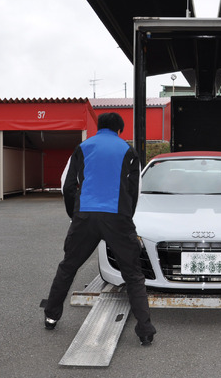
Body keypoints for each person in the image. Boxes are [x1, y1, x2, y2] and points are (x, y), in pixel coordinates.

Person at [43, 112, 156, 345]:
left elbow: (68, 185)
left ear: (99, 128)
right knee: (133, 274)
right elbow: (134, 191)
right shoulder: (128, 151)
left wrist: (74, 215)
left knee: (68, 266)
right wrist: (126, 217)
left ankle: (51, 316)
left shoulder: (82, 147)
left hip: (85, 216)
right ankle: (145, 329)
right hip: (117, 218)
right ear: (120, 130)